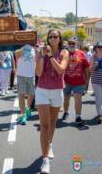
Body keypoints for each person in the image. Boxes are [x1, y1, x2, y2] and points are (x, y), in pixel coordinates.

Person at [36, 30, 69, 174]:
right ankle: (45, 160)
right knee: (44, 124)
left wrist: (50, 56)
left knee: (53, 122)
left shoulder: (64, 53)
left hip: (57, 91)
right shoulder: (41, 52)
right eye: (50, 37)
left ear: (59, 39)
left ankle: (49, 144)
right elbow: (38, 73)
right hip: (42, 90)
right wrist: (42, 56)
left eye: (55, 37)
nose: (52, 39)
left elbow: (61, 70)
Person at [62, 37, 90, 125]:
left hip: (78, 82)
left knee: (78, 98)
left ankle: (78, 116)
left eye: (73, 43)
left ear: (76, 44)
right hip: (66, 81)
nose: (71, 45)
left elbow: (86, 67)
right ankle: (66, 112)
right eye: (70, 43)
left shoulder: (81, 53)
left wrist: (86, 81)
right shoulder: (64, 53)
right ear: (67, 44)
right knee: (66, 98)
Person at [15, 44, 36, 125]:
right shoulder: (19, 48)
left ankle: (27, 108)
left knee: (31, 95)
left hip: (31, 75)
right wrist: (22, 47)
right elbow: (17, 55)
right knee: (21, 95)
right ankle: (23, 115)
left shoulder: (34, 48)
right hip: (21, 75)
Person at [90, 42, 102, 124]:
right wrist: (94, 66)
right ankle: (99, 115)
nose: (100, 48)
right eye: (98, 47)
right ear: (95, 48)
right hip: (96, 81)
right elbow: (90, 69)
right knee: (99, 98)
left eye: (101, 46)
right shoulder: (93, 57)